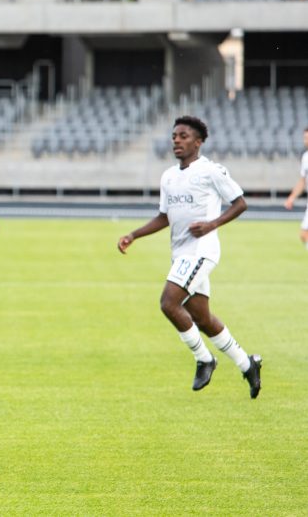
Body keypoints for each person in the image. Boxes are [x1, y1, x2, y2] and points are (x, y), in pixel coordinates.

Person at [117, 116, 261, 398]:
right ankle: (248, 364)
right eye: (174, 137)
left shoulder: (211, 171)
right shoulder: (169, 176)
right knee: (203, 319)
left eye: (183, 136)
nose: (177, 141)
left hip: (201, 251)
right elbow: (164, 217)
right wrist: (133, 235)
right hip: (181, 253)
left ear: (198, 142)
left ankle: (204, 359)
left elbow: (240, 203)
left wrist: (211, 224)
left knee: (168, 303)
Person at [283, 126, 308, 249]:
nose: (305, 140)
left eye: (307, 138)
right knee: (304, 235)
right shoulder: (305, 157)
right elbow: (303, 181)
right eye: (304, 138)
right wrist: (292, 197)